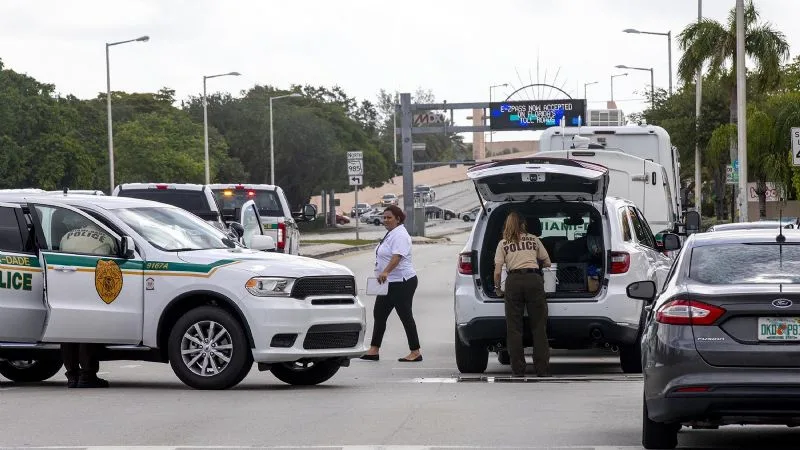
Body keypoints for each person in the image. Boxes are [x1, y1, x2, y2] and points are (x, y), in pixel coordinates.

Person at [58, 218, 117, 388]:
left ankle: (72, 376)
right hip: (89, 286)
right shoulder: (106, 238)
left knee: (67, 332)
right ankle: (87, 375)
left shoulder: (67, 236)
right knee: (87, 331)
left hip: (65, 286)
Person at [494, 211, 552, 377]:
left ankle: (518, 370)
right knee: (539, 327)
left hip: (513, 282)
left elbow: (497, 272)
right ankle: (542, 370)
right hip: (534, 280)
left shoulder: (503, 244)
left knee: (514, 329)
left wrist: (498, 289)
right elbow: (547, 262)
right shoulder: (534, 239)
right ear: (523, 225)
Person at [360, 205, 422, 362]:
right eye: (384, 217)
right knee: (379, 315)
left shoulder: (400, 235)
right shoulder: (391, 233)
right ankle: (374, 350)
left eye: (389, 217)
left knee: (405, 315)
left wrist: (386, 271)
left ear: (398, 219)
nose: (385, 220)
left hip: (402, 282)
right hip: (387, 283)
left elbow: (397, 257)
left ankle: (415, 352)